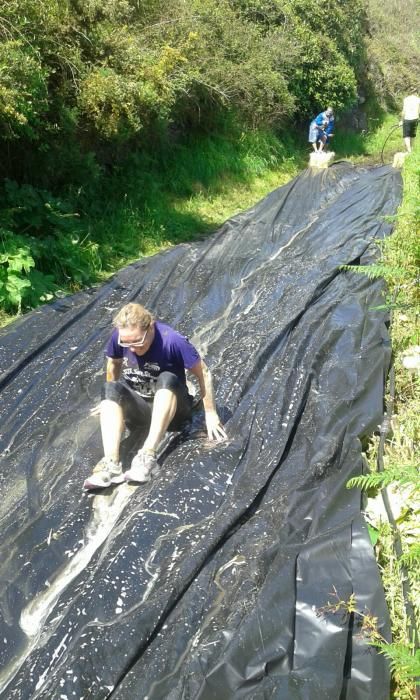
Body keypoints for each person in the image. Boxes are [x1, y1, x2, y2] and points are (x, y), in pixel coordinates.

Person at [84, 303, 227, 489]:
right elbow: (113, 364)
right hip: (141, 409)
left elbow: (204, 373)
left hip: (174, 410)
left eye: (137, 341)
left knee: (167, 378)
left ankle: (147, 456)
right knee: (110, 388)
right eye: (127, 344)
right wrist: (110, 400)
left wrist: (210, 413)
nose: (133, 349)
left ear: (150, 327)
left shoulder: (172, 341)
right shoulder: (120, 338)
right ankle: (111, 464)